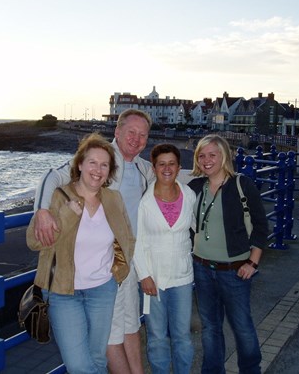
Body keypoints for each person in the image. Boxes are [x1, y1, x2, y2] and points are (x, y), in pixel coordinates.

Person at [33, 109, 154, 374]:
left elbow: (171, 179)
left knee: (130, 326)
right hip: (76, 280)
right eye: (131, 132)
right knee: (100, 348)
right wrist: (42, 211)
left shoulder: (145, 170)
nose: (136, 139)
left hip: (118, 269)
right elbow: (52, 175)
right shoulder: (99, 156)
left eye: (142, 134)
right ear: (117, 131)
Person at [188, 134, 268, 374]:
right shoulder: (194, 187)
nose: (206, 160)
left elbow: (261, 226)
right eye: (201, 155)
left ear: (225, 156)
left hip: (234, 270)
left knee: (242, 326)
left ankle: (251, 370)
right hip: (202, 268)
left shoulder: (241, 184)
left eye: (212, 154)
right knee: (210, 327)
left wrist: (252, 263)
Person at [134, 144, 196, 374]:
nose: (167, 168)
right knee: (157, 337)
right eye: (162, 164)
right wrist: (144, 276)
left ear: (179, 167)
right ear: (154, 168)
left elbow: (199, 228)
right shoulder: (145, 202)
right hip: (154, 279)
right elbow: (137, 241)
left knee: (182, 336)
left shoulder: (189, 196)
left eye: (172, 163)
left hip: (182, 277)